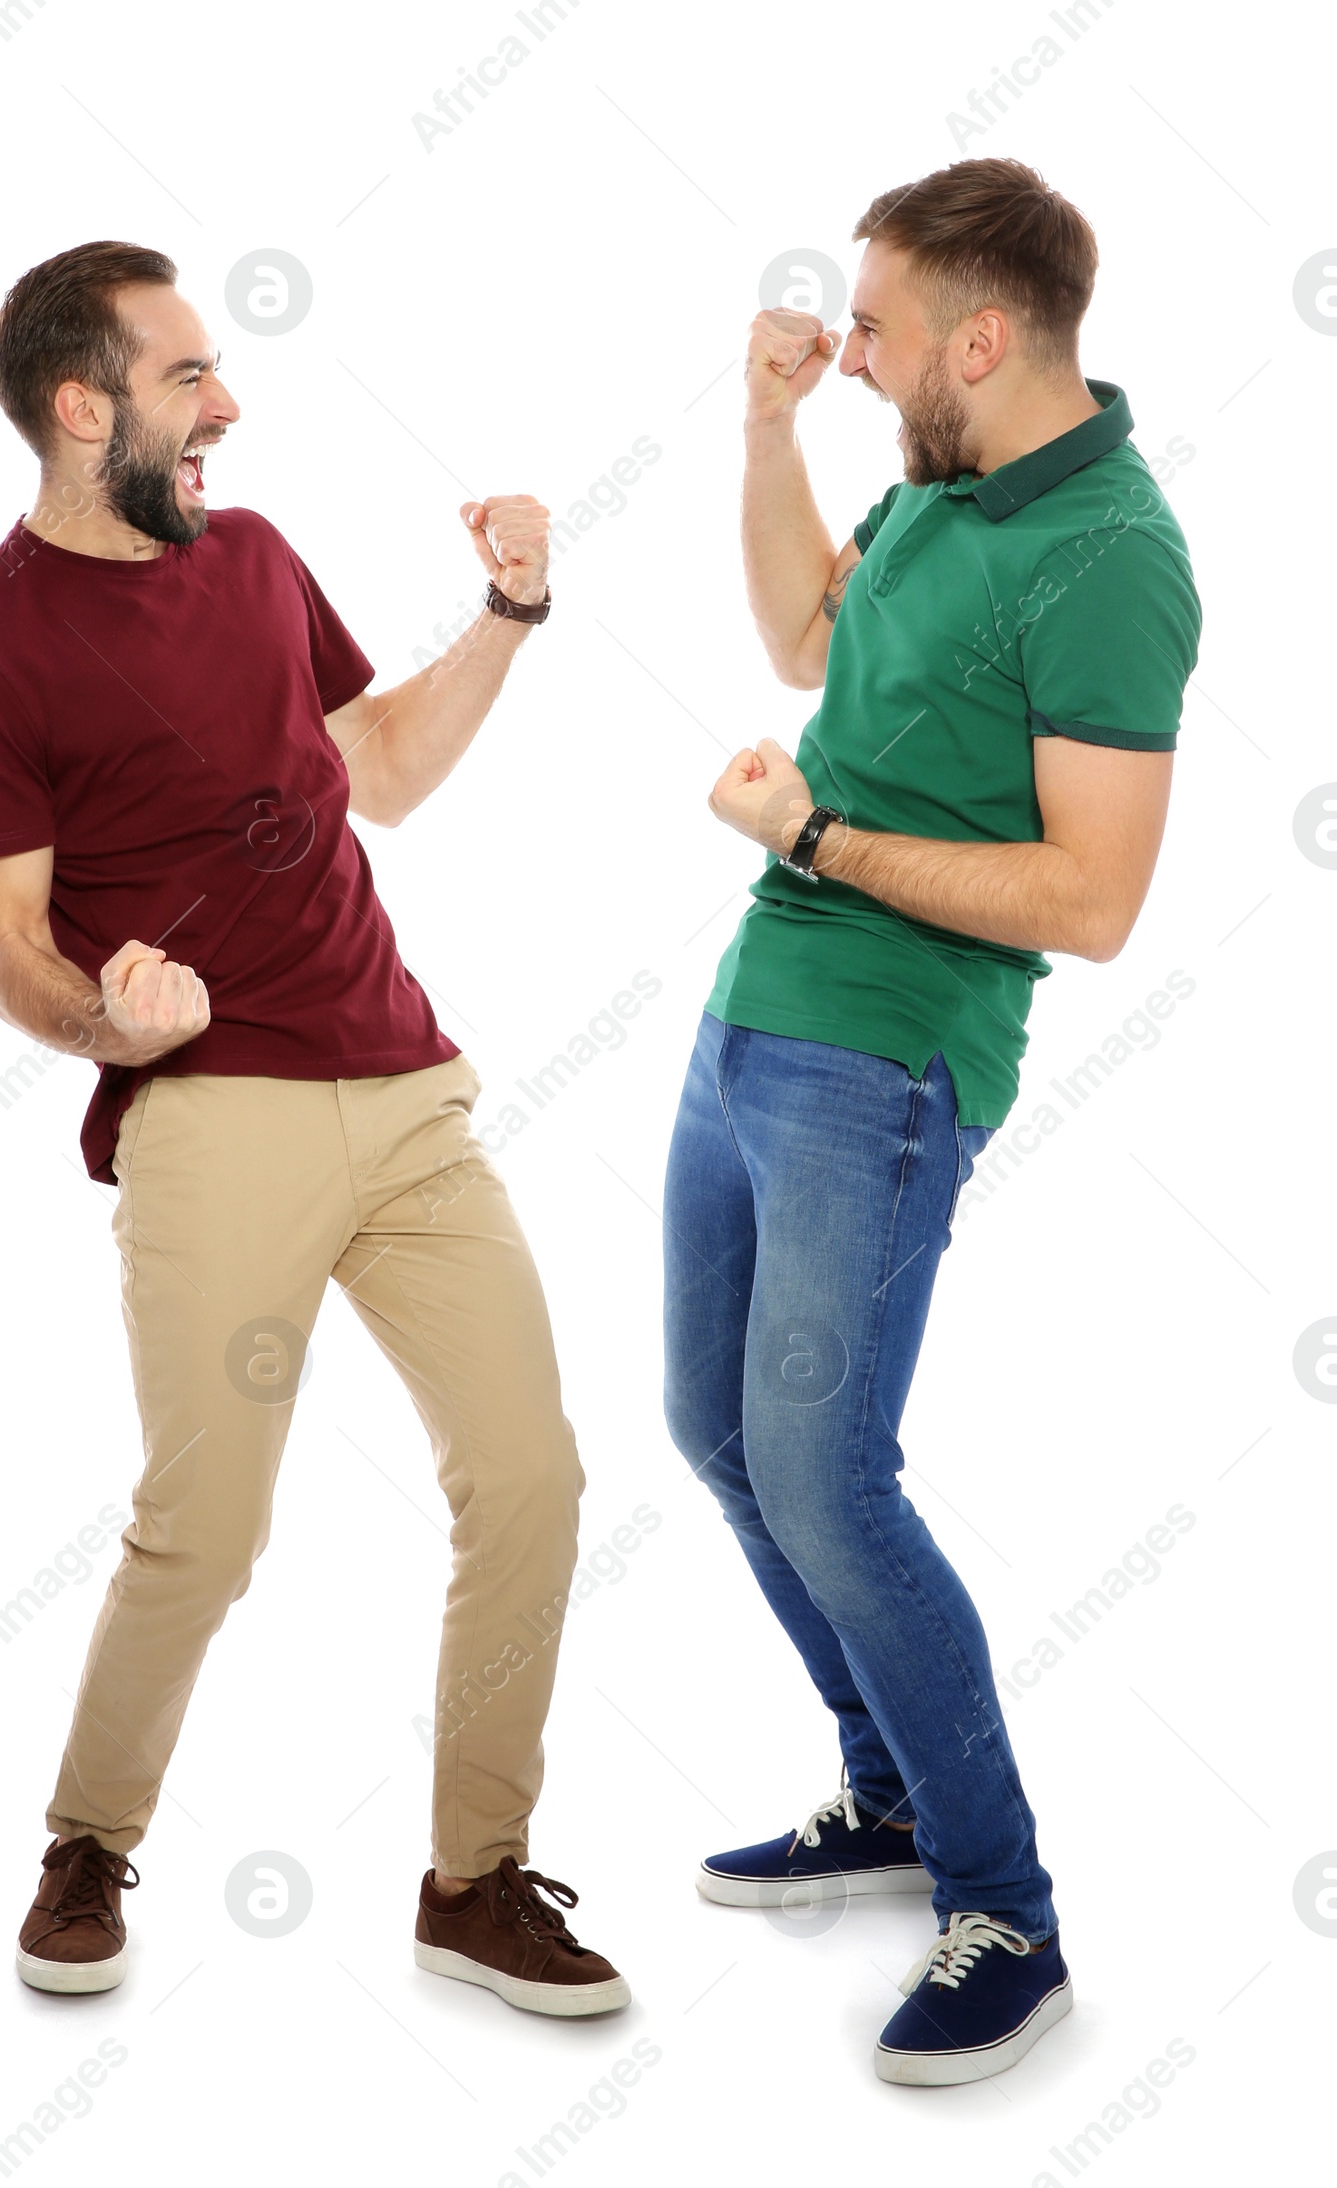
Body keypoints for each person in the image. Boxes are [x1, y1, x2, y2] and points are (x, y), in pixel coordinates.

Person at [0, 240, 627, 2016]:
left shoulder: (249, 557)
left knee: (532, 1476)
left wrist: (513, 613)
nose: (227, 403)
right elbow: (11, 946)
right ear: (83, 410)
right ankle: (87, 1840)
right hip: (213, 1114)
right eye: (184, 378)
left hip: (405, 1089)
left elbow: (375, 766)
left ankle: (473, 1879)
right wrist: (105, 1018)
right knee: (210, 1529)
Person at [664, 158, 1200, 2084]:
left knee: (827, 1477)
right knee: (715, 1431)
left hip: (886, 1062)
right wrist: (763, 422)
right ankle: (890, 1800)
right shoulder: (949, 477)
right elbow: (809, 639)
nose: (855, 341)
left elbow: (1097, 902)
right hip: (756, 1013)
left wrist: (812, 835)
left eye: (881, 321)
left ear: (984, 339)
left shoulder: (1112, 555)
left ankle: (1010, 1913)